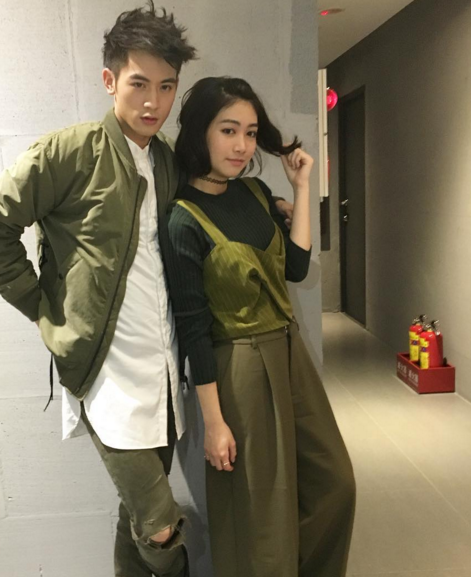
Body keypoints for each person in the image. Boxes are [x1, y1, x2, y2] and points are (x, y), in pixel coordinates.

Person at [0, 3, 197, 576]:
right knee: (161, 524)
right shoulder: (69, 152)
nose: (153, 102)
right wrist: (43, 310)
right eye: (139, 83)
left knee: (135, 514)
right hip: (106, 377)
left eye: (166, 86)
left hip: (163, 371)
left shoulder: (165, 160)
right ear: (109, 80)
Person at [164, 76, 356, 577]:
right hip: (239, 365)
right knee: (262, 515)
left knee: (335, 484)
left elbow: (296, 266)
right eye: (228, 130)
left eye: (250, 133)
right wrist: (214, 422)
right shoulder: (182, 220)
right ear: (200, 132)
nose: (242, 146)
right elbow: (193, 329)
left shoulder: (254, 192)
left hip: (291, 353)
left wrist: (301, 188)